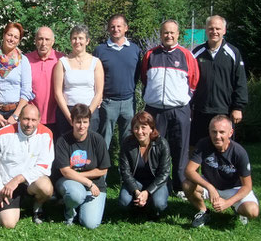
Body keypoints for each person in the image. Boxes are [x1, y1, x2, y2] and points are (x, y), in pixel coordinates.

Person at [141, 19, 199, 197]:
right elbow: (145, 78)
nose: (169, 35)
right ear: (160, 34)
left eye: (172, 32)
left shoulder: (186, 55)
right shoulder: (150, 54)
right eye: (165, 32)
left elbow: (194, 81)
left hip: (179, 110)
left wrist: (183, 99)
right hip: (155, 110)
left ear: (178, 34)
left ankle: (180, 186)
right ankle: (156, 182)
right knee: (155, 148)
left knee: (180, 148)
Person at [0, 22, 35, 206]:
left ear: (19, 40)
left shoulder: (23, 61)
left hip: (15, 112)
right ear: (4, 35)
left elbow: (26, 91)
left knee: (14, 153)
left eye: (16, 37)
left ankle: (15, 191)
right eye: (9, 35)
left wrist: (16, 116)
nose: (11, 39)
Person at [0, 104, 54, 228]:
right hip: (6, 185)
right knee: (8, 223)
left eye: (33, 120)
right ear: (19, 118)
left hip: (30, 182)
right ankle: (5, 202)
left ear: (39, 120)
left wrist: (18, 179)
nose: (29, 124)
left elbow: (44, 166)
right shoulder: (2, 135)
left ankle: (37, 207)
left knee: (46, 187)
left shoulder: (46, 134)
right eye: (26, 119)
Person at [183, 115, 259, 227]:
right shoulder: (203, 144)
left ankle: (238, 209)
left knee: (252, 211)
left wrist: (228, 203)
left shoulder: (239, 152)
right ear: (209, 132)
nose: (217, 136)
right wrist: (210, 187)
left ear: (230, 133)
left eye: (222, 132)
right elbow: (189, 171)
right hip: (211, 185)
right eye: (214, 132)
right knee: (187, 184)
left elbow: (247, 186)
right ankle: (204, 211)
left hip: (233, 189)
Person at [190, 15, 248, 147]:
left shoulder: (233, 53)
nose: (214, 32)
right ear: (206, 30)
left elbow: (240, 81)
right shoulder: (197, 53)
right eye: (211, 28)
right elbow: (189, 81)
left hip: (224, 109)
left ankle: (223, 168)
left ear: (224, 30)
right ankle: (195, 169)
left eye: (218, 28)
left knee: (223, 147)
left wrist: (238, 107)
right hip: (200, 110)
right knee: (198, 147)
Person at [53, 103, 111, 229]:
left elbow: (103, 170)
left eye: (85, 122)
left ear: (89, 122)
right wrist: (88, 182)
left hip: (96, 184)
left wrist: (79, 175)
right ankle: (70, 211)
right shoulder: (63, 141)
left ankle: (79, 205)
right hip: (70, 182)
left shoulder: (98, 140)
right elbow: (66, 172)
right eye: (78, 122)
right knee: (75, 195)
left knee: (90, 224)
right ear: (72, 121)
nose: (82, 126)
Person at [94, 14, 141, 149]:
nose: (116, 29)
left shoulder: (134, 49)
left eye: (119, 26)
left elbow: (137, 74)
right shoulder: (100, 50)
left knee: (128, 140)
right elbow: (94, 75)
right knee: (104, 140)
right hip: (108, 102)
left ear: (126, 28)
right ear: (108, 29)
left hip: (128, 102)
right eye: (112, 26)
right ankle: (102, 170)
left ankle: (125, 169)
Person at [118, 111, 171, 218]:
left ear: (151, 128)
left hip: (156, 182)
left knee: (159, 204)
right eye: (136, 127)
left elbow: (164, 173)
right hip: (136, 181)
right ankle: (139, 205)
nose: (139, 131)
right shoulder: (127, 143)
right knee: (123, 202)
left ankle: (151, 205)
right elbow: (125, 171)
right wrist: (136, 191)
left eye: (143, 127)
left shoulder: (162, 143)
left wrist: (147, 192)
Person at [54, 25, 104, 136]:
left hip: (90, 110)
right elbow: (58, 93)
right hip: (68, 111)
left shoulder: (96, 62)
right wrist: (69, 117)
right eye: (74, 38)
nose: (77, 41)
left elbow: (99, 92)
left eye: (81, 38)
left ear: (87, 41)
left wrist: (87, 116)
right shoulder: (62, 62)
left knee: (89, 147)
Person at [26, 27, 64, 140]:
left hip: (56, 117)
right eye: (40, 39)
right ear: (35, 40)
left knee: (54, 152)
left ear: (53, 41)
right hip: (32, 118)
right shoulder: (26, 60)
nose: (43, 43)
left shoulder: (61, 59)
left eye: (47, 39)